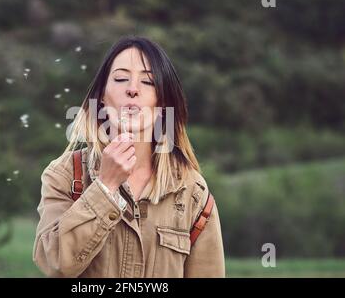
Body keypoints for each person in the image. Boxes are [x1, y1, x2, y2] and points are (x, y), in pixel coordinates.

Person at [33, 35, 225, 277]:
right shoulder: (65, 174)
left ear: (162, 102)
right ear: (102, 96)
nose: (132, 89)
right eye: (121, 78)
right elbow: (56, 264)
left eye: (148, 82)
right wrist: (105, 187)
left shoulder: (192, 192)